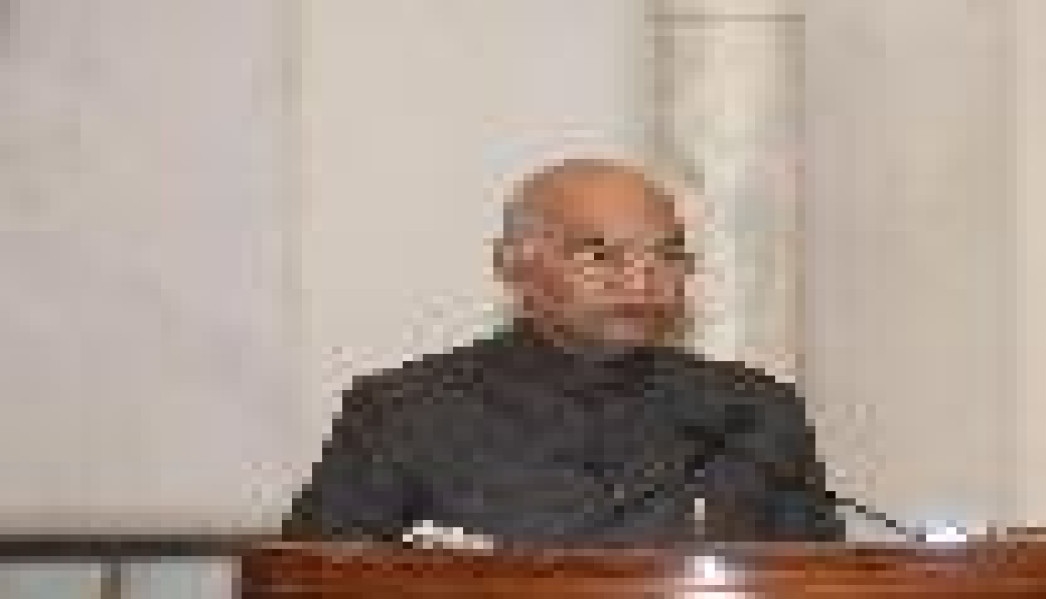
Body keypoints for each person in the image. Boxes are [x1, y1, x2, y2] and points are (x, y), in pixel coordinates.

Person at [283, 158, 844, 544]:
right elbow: (311, 597)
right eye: (600, 256)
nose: (641, 282)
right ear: (513, 265)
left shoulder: (755, 414)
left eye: (667, 257)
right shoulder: (403, 413)